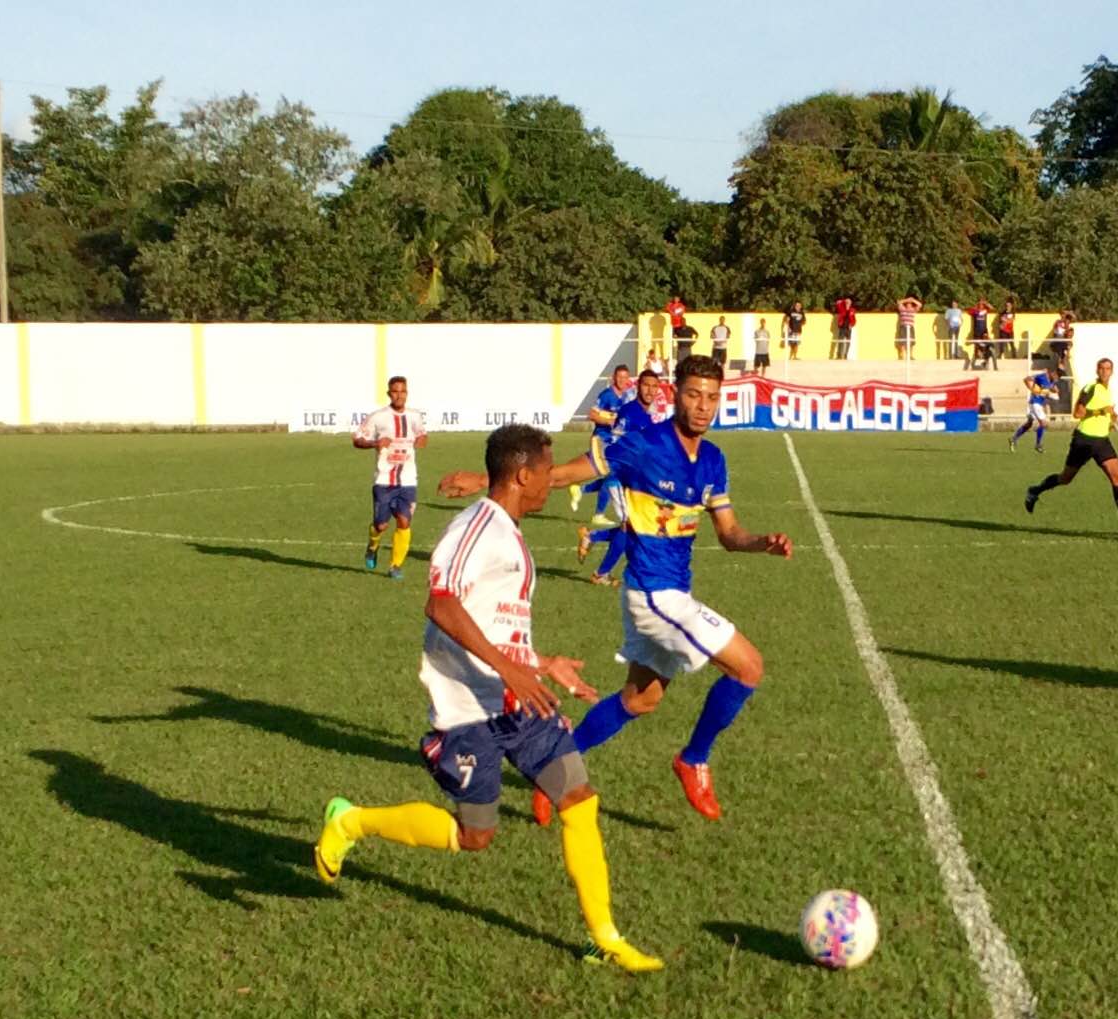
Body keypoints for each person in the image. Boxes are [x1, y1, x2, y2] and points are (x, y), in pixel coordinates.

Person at [314, 424, 663, 974]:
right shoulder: (476, 528)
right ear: (524, 475)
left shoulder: (509, 530)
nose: (552, 481)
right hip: (469, 707)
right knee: (473, 836)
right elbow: (441, 605)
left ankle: (605, 937)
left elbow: (494, 621)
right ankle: (350, 822)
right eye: (548, 472)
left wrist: (540, 665)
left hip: (516, 698)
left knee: (580, 800)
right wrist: (510, 672)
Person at [438, 356, 794, 823]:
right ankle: (693, 759)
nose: (702, 406)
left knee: (640, 699)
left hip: (669, 595)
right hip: (654, 595)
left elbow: (729, 534)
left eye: (711, 396)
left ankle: (553, 771)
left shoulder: (712, 460)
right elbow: (563, 474)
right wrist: (484, 480)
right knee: (749, 667)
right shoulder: (642, 445)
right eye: (693, 394)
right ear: (675, 393)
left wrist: (760, 543)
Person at [1025, 357, 1118, 532]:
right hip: (1084, 440)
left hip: (1102, 441)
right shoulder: (1091, 388)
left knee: (1117, 476)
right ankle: (1035, 491)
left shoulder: (1106, 390)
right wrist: (1101, 411)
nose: (1104, 371)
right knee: (1066, 478)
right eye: (1101, 368)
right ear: (1097, 371)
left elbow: (1102, 413)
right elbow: (1078, 413)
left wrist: (1111, 418)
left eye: (1108, 369)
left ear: (1112, 371)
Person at [577, 368, 664, 586]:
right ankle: (601, 574)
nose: (650, 390)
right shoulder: (630, 412)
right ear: (638, 387)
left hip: (632, 480)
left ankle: (592, 537)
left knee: (634, 526)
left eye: (654, 386)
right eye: (646, 385)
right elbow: (621, 446)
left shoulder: (644, 415)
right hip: (621, 477)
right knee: (631, 526)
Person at [353, 375, 430, 579]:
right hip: (384, 480)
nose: (399, 395)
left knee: (404, 522)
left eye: (403, 391)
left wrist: (422, 439)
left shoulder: (414, 416)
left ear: (407, 393)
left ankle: (395, 566)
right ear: (389, 393)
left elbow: (422, 434)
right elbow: (357, 439)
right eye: (395, 391)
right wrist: (374, 444)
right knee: (381, 525)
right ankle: (373, 546)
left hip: (408, 480)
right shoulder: (378, 417)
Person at [574, 365, 636, 516]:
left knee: (616, 476)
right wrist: (607, 421)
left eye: (625, 377)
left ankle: (581, 490)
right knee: (613, 476)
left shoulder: (628, 397)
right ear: (614, 378)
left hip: (617, 442)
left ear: (629, 379)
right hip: (602, 439)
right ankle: (598, 515)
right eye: (619, 377)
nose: (622, 380)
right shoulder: (606, 395)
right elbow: (592, 414)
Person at [1009, 364, 1058, 453]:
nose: (1056, 377)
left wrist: (1053, 391)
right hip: (1035, 403)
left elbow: (1054, 389)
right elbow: (1026, 379)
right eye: (1055, 375)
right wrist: (1031, 388)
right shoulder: (1041, 377)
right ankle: (1038, 445)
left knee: (1029, 423)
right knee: (1043, 424)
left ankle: (1013, 439)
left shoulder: (1052, 381)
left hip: (1037, 404)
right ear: (1051, 372)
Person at [894, 295, 922, 360]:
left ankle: (910, 355)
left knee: (911, 342)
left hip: (911, 327)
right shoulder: (902, 309)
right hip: (903, 326)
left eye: (910, 304)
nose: (908, 304)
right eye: (907, 304)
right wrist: (907, 300)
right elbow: (898, 302)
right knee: (902, 341)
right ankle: (901, 356)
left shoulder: (913, 310)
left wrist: (912, 300)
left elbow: (920, 305)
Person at [969, 298, 993, 368]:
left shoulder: (985, 310)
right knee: (977, 346)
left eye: (982, 304)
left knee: (986, 345)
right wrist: (976, 305)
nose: (981, 305)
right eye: (980, 303)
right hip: (977, 330)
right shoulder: (975, 311)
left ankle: (986, 360)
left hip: (984, 330)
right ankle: (975, 361)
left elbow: (992, 308)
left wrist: (986, 303)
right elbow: (969, 311)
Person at [831, 295, 856, 360]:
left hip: (848, 328)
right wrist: (844, 300)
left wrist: (852, 324)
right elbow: (838, 302)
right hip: (842, 327)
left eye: (849, 302)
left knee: (848, 342)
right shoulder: (841, 308)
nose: (848, 303)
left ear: (851, 303)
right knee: (840, 341)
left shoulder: (852, 310)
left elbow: (854, 320)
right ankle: (839, 356)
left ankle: (845, 355)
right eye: (846, 302)